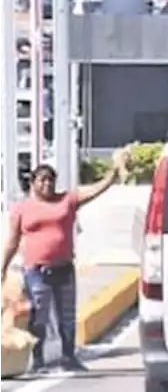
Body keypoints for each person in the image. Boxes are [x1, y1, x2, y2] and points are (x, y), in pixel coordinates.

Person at [0, 149, 131, 373]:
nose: (47, 185)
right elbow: (12, 241)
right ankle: (38, 358)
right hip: (36, 272)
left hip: (64, 270)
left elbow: (95, 190)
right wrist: (2, 267)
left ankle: (68, 356)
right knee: (38, 316)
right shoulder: (21, 209)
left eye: (51, 180)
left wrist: (113, 173)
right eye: (42, 180)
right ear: (32, 183)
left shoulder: (67, 201)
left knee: (67, 317)